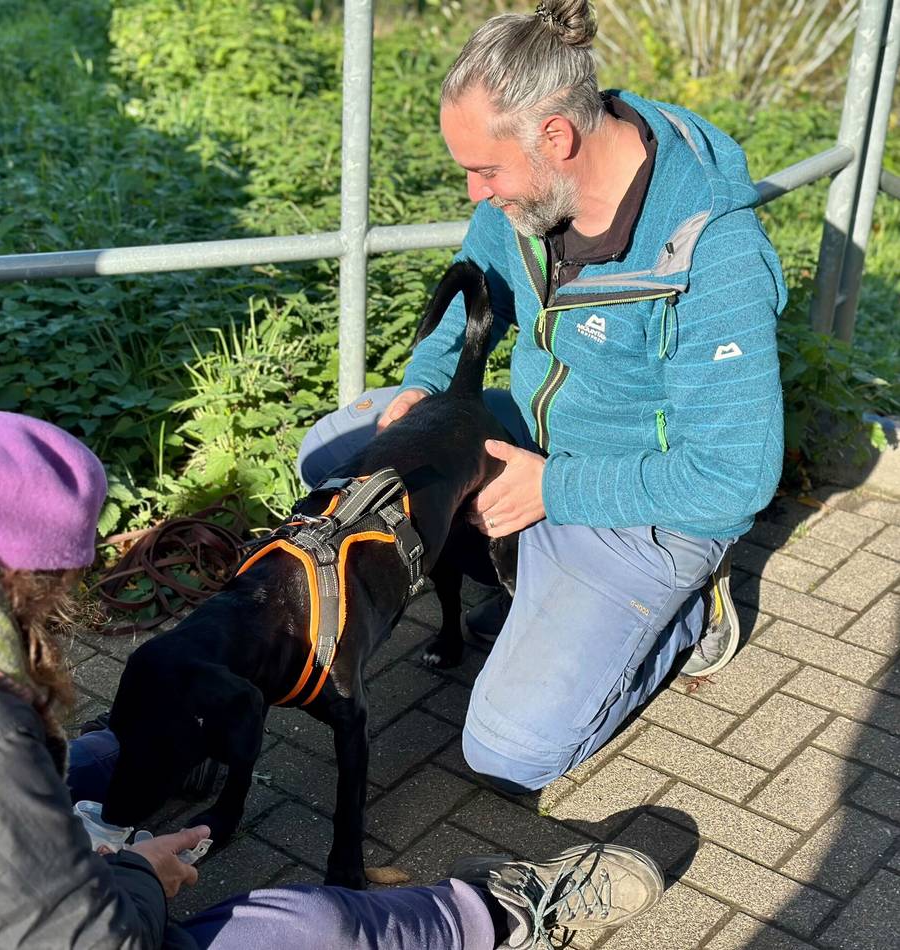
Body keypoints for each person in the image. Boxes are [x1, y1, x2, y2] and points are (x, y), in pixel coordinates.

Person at [0, 397, 665, 949]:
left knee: (110, 751)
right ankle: (496, 910)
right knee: (320, 922)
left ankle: (164, 754)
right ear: (32, 583)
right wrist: (141, 876)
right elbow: (83, 939)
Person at [298, 0, 785, 794]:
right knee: (339, 448)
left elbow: (733, 477)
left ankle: (690, 617)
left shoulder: (715, 253)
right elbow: (474, 292)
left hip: (645, 502)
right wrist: (425, 387)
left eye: (485, 170)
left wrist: (551, 487)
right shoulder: (534, 196)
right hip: (536, 443)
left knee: (510, 752)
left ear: (557, 136)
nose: (472, 191)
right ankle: (527, 577)